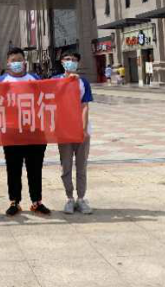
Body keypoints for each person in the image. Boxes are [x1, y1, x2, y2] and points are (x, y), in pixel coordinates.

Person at [0, 47, 51, 217]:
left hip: (34, 130)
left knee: (35, 168)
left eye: (19, 59)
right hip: (11, 132)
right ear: (7, 63)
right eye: (13, 60)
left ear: (24, 61)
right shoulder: (1, 81)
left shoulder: (34, 79)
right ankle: (14, 202)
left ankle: (37, 201)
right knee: (13, 168)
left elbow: (49, 93)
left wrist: (70, 80)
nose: (17, 63)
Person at [54, 52, 94, 215]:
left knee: (81, 166)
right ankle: (69, 198)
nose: (71, 62)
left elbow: (85, 106)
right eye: (68, 59)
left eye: (74, 60)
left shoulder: (83, 82)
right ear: (62, 62)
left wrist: (83, 130)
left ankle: (81, 198)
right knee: (66, 166)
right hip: (63, 130)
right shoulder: (55, 80)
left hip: (81, 131)